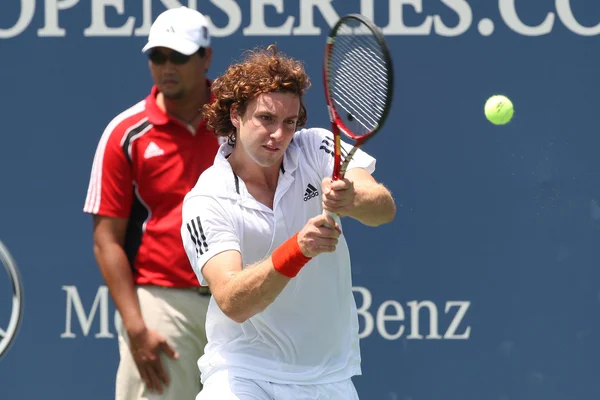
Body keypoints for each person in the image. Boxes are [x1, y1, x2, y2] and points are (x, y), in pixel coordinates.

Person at [180, 44, 396, 399]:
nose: (279, 135)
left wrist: (352, 199)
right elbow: (233, 301)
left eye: (289, 122)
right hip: (242, 373)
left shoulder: (317, 147)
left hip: (328, 376)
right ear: (236, 114)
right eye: (266, 118)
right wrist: (297, 249)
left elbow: (383, 209)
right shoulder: (208, 199)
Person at [83, 6, 220, 400]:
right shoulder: (125, 133)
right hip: (163, 302)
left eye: (178, 56)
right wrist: (135, 325)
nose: (166, 67)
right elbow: (106, 239)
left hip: (238, 302)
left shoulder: (239, 123)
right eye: (157, 56)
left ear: (206, 57)